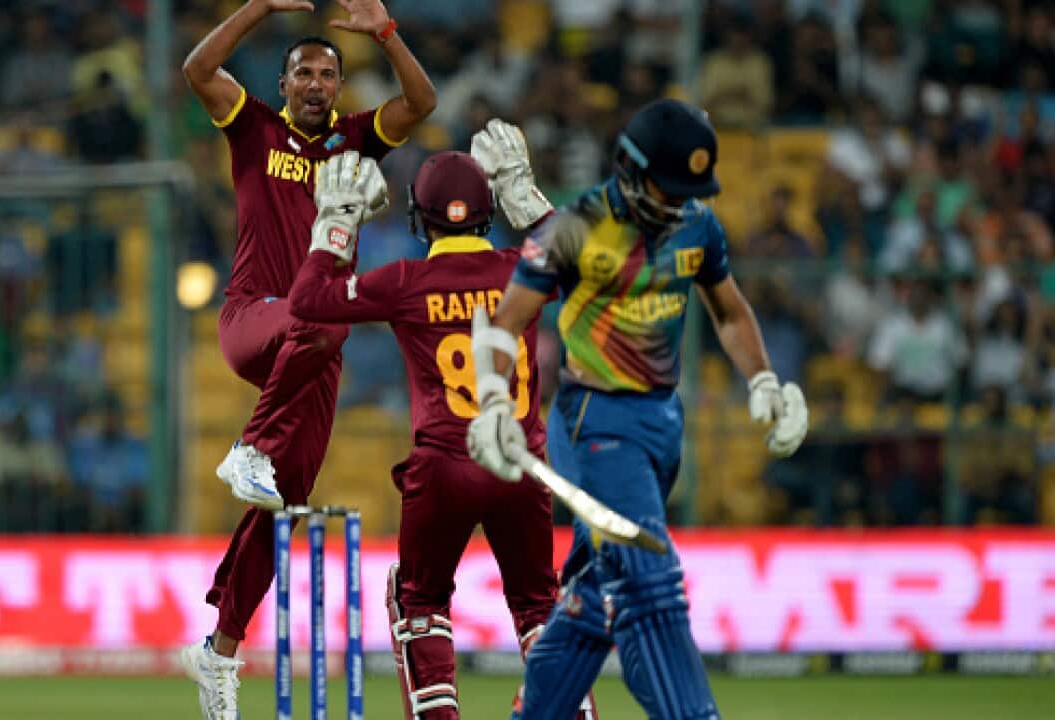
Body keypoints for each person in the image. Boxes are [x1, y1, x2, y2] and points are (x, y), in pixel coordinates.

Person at [465, 104, 809, 719]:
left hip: (660, 424)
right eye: (668, 188)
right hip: (592, 422)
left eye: (688, 192)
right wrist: (492, 401)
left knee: (598, 595)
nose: (678, 203)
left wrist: (764, 382)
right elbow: (506, 320)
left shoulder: (697, 226)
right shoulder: (572, 229)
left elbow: (728, 312)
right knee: (648, 579)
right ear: (631, 168)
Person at [177, 1, 436, 718]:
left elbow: (422, 101)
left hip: (316, 351)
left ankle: (218, 653)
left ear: (339, 87)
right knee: (324, 312)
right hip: (252, 318)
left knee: (281, 508)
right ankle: (250, 447)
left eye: (328, 73)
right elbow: (197, 69)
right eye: (304, 73)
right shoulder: (253, 127)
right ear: (285, 84)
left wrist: (386, 34)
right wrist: (258, 5)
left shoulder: (357, 141)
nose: (317, 83)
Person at [287, 151, 595, 719]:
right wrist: (526, 196)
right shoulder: (518, 267)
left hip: (443, 468)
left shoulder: (407, 280)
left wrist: (335, 223)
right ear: (487, 212)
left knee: (421, 602)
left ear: (419, 218)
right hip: (519, 465)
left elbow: (306, 303)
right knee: (537, 607)